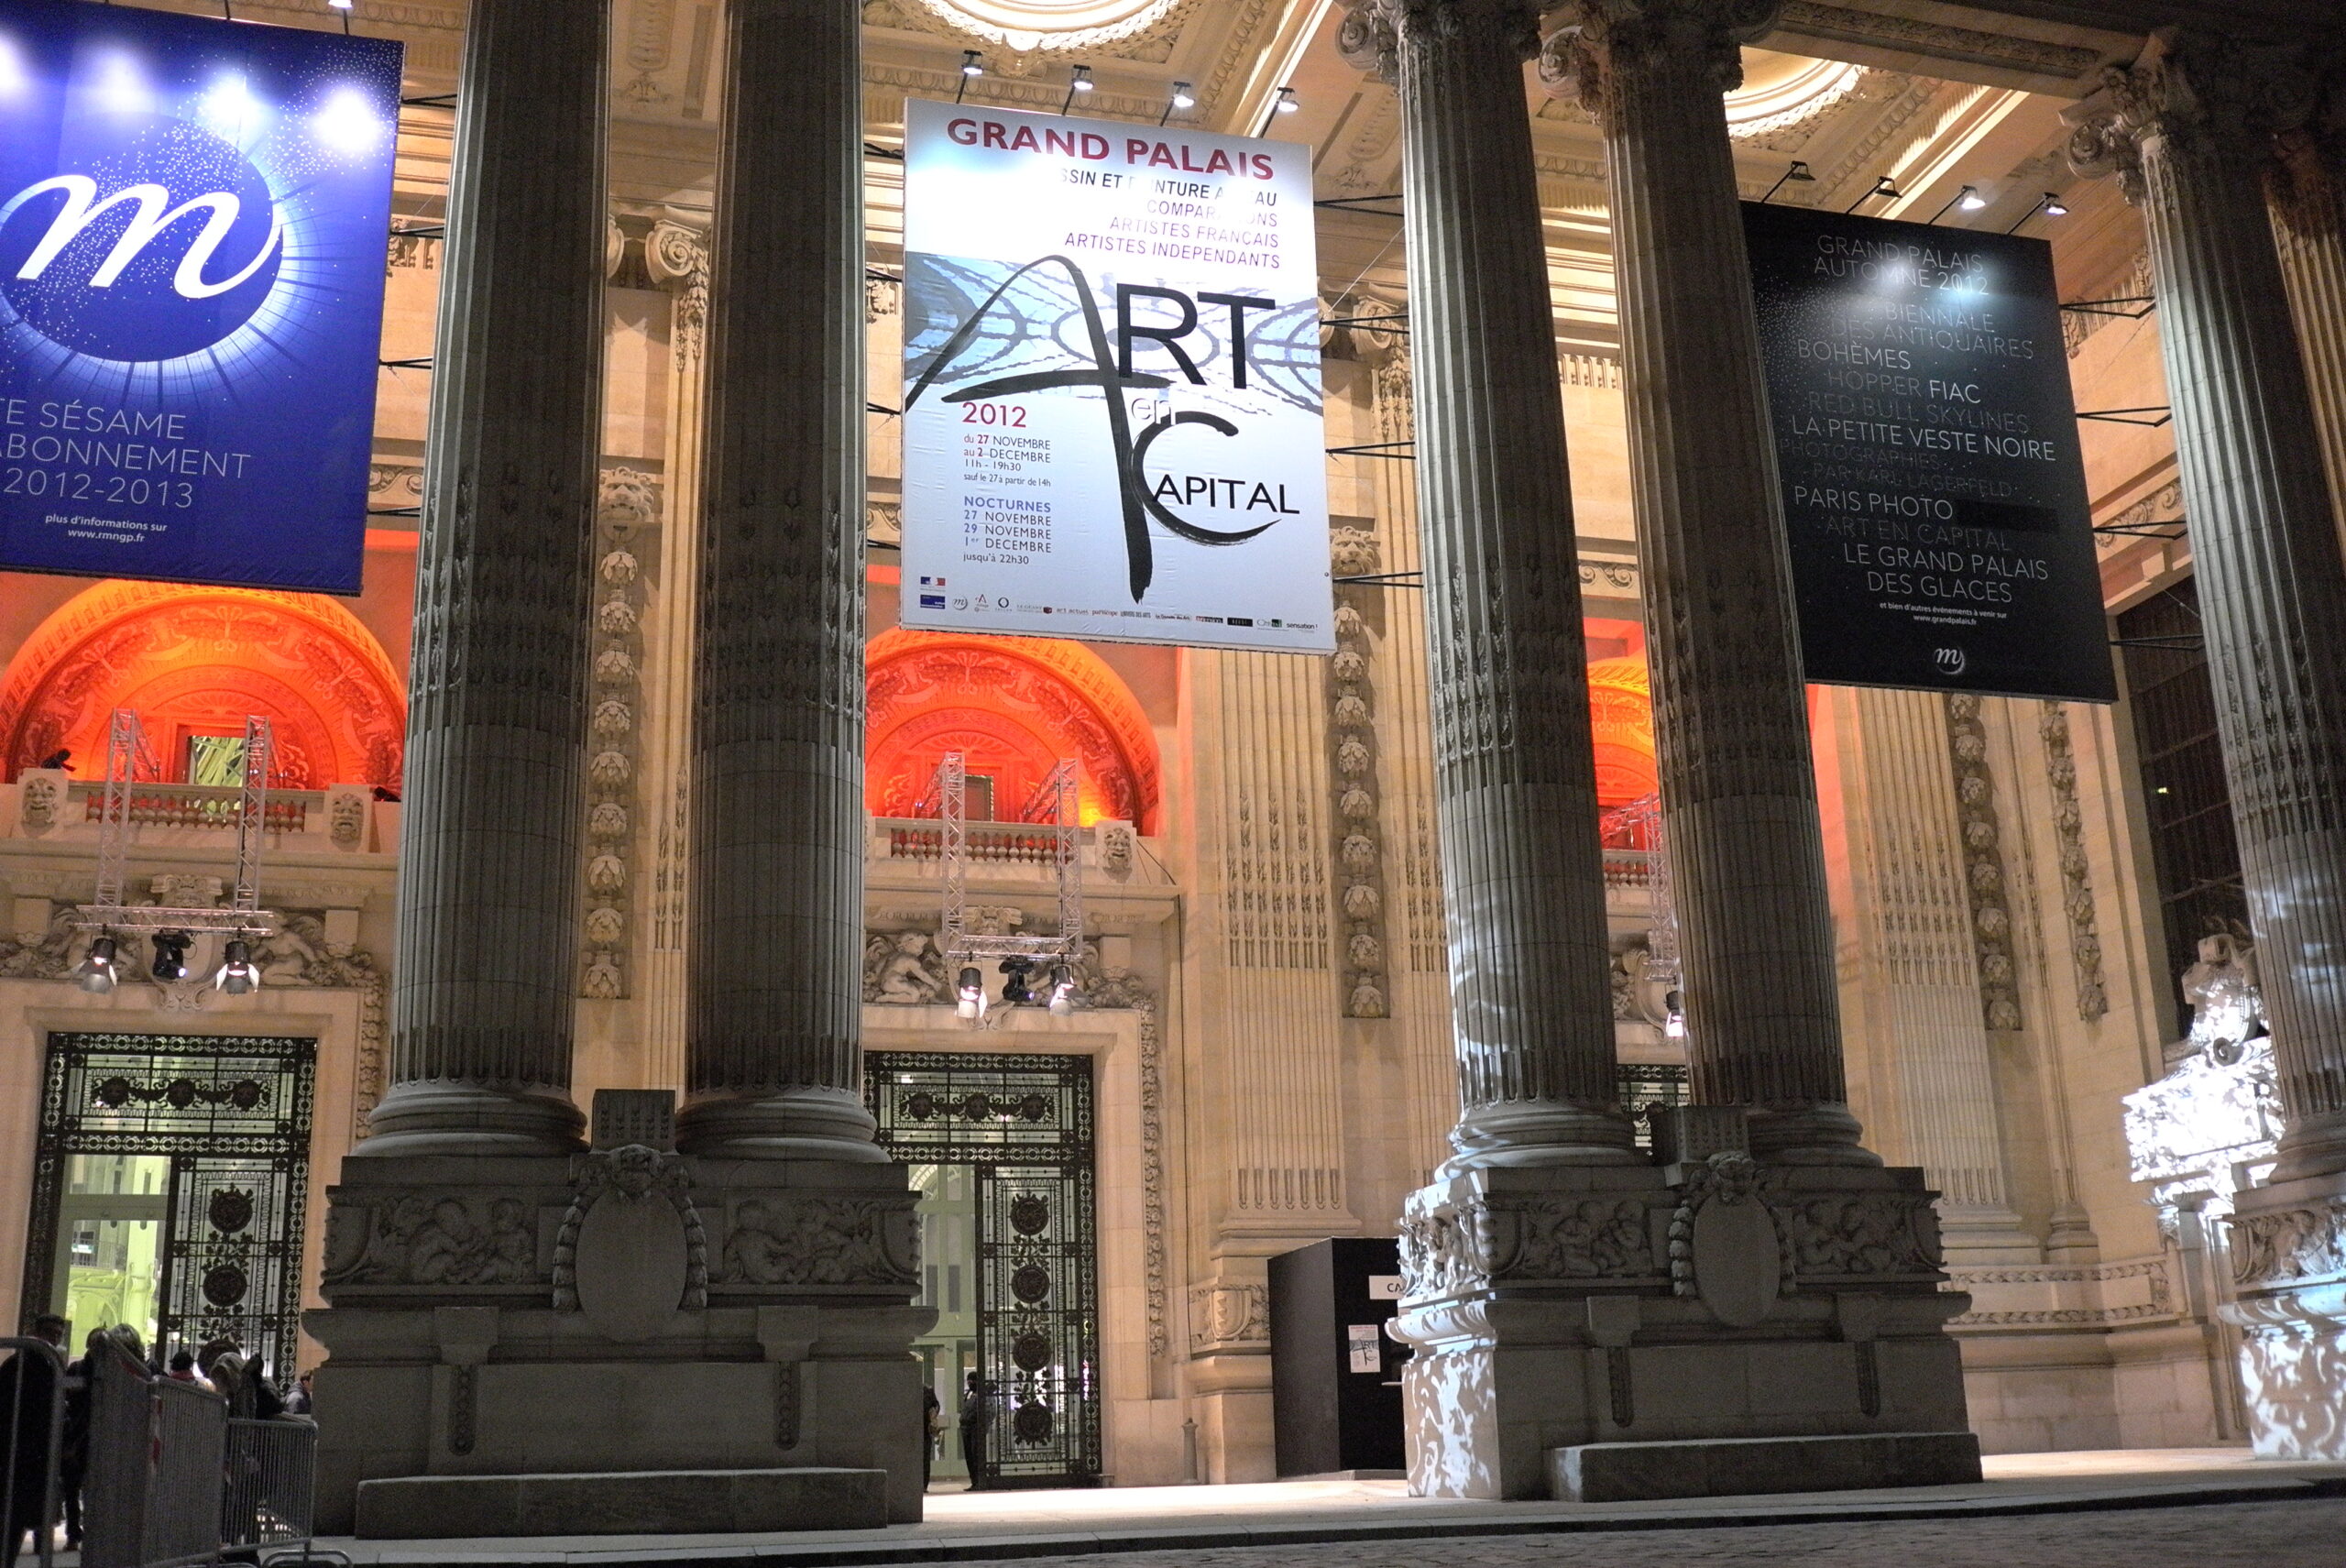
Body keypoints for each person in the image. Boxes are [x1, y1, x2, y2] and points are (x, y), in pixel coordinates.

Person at [2, 1316, 64, 1568]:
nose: (53, 1338)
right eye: (50, 1332)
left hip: (31, 1451)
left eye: (58, 1334)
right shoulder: (23, 1364)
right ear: (36, 1331)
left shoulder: (45, 1365)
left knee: (16, 1516)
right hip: (18, 1449)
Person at [958, 1372, 991, 1492]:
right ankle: (974, 1481)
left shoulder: (983, 1395)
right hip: (966, 1429)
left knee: (976, 1455)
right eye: (968, 1380)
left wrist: (983, 1424)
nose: (970, 1383)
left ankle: (980, 1481)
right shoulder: (968, 1394)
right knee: (969, 1456)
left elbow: (989, 1412)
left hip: (976, 1429)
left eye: (972, 1380)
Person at [921, 1384, 942, 1489]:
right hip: (911, 1429)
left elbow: (936, 1405)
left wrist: (933, 1414)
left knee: (925, 1457)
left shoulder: (927, 1390)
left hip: (925, 1429)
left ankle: (924, 1484)